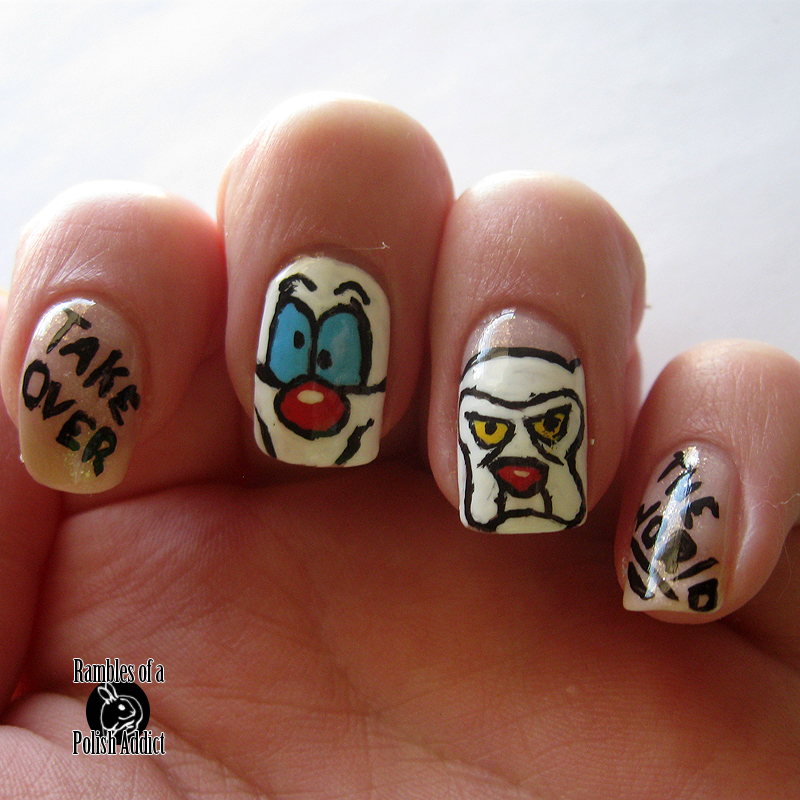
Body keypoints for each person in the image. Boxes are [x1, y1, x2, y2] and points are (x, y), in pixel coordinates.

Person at [0, 93, 797, 797]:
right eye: (495, 424)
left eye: (545, 423)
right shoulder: (114, 713)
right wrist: (112, 730)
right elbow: (111, 730)